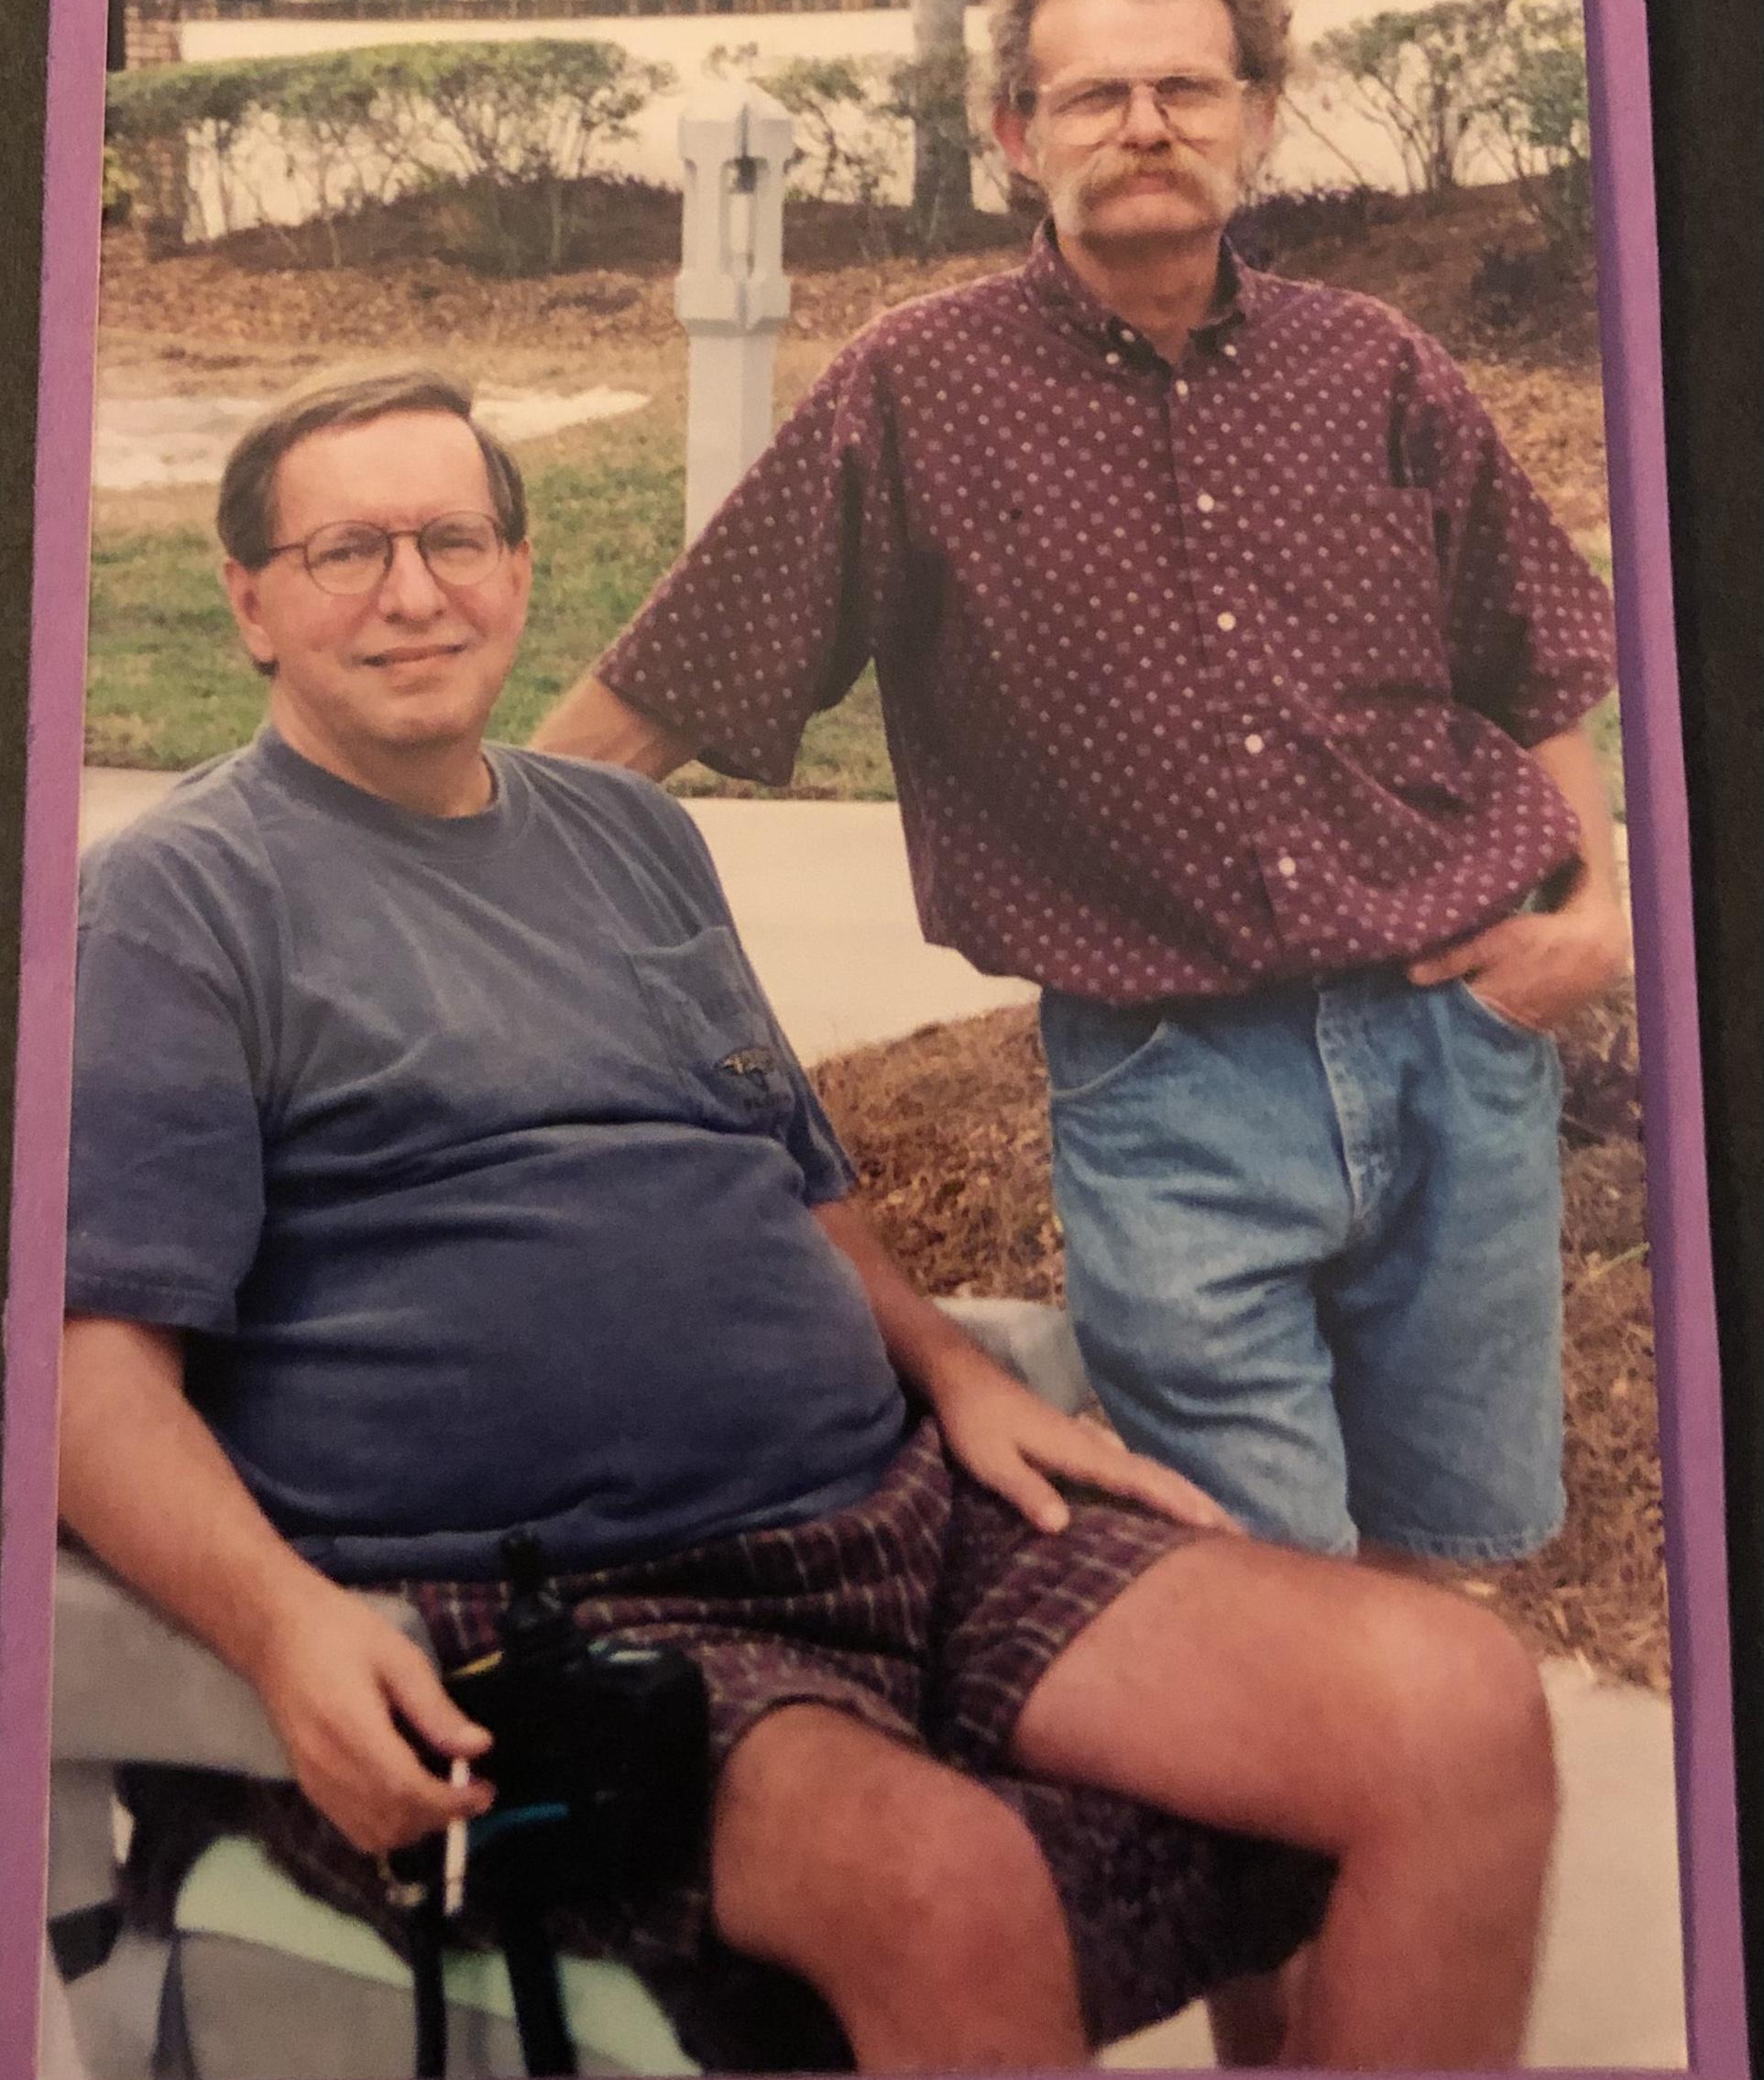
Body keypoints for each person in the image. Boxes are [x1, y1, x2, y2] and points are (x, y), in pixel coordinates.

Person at [60, 372, 1558, 2073]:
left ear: (522, 571)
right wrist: (286, 1628)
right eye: (348, 550)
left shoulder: (629, 836)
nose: (414, 592)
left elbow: (788, 1172)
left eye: (454, 539)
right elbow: (91, 1381)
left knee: (1452, 1710)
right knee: (945, 1887)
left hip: (892, 1519)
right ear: (250, 602)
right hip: (556, 1611)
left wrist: (956, 1371)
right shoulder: (180, 902)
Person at [534, 0, 1628, 1571]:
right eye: (1095, 94)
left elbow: (1535, 652)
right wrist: (421, 861)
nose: (1145, 126)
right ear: (1013, 133)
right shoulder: (916, 391)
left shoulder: (1376, 368)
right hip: (1169, 1083)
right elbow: (679, 678)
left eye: (1185, 87)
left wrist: (1595, 911)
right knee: (1255, 1573)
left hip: (1454, 1050)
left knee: (1448, 1557)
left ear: (1256, 117)